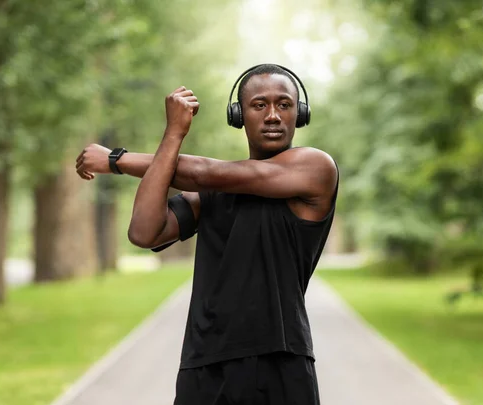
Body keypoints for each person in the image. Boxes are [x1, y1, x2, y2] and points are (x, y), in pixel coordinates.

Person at [75, 64, 338, 405]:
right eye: (259, 105)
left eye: (284, 104)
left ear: (299, 114)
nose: (273, 115)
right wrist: (173, 134)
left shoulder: (316, 168)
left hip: (281, 363)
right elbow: (143, 231)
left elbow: (204, 172)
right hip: (203, 367)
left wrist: (116, 160)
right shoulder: (211, 195)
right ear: (238, 115)